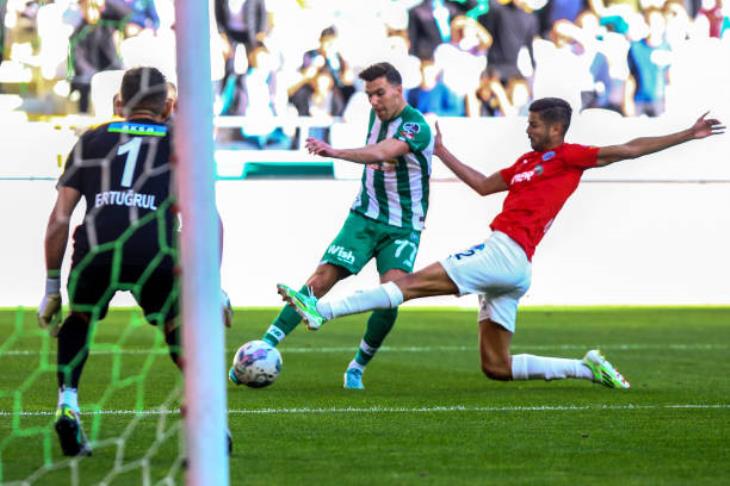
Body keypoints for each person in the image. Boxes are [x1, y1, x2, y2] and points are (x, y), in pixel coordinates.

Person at [278, 97, 725, 389]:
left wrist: (687, 133)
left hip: (504, 253)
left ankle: (323, 310)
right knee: (496, 367)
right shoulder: (528, 161)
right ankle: (584, 368)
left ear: (555, 127)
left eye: (533, 124)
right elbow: (484, 185)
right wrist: (444, 153)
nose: (526, 130)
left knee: (409, 284)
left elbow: (629, 149)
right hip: (513, 267)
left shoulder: (570, 157)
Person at [38, 67, 231, 456]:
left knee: (80, 319)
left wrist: (51, 287)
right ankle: (209, 418)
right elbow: (205, 217)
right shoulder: (182, 142)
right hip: (154, 250)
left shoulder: (92, 138)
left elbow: (61, 217)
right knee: (179, 326)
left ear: (119, 104)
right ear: (169, 105)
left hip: (96, 249)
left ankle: (69, 404)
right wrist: (214, 285)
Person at [250, 62, 435, 390]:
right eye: (369, 95)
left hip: (403, 226)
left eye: (380, 93)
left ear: (398, 90)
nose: (374, 101)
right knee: (318, 281)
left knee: (390, 295)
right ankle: (260, 351)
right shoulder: (375, 116)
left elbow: (383, 151)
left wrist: (334, 152)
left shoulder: (415, 126)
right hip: (364, 216)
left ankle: (357, 367)